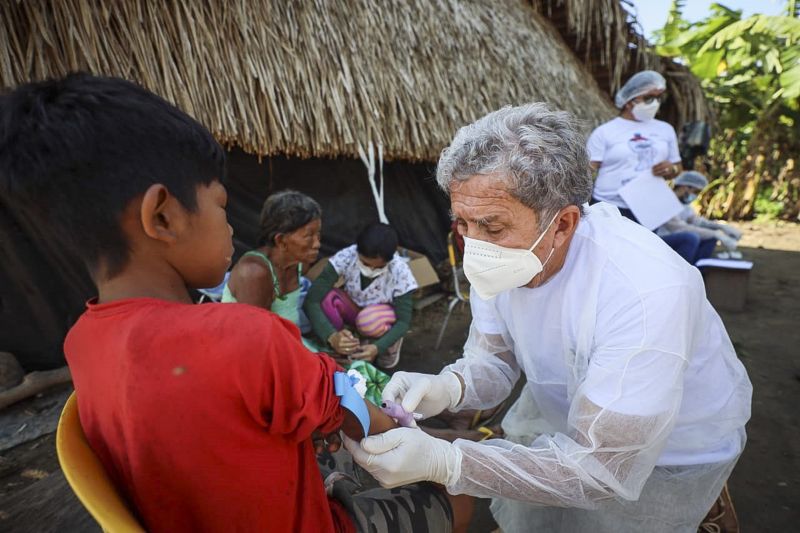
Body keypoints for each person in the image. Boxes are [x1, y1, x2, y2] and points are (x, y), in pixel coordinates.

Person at [0, 73, 470, 533]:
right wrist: (437, 441)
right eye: (221, 205)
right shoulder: (243, 335)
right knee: (466, 482)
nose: (230, 227)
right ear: (161, 215)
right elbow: (361, 411)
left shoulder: (83, 341)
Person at [344, 103, 752, 532]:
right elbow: (496, 359)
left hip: (669, 456)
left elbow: (602, 469)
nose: (473, 245)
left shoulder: (645, 290)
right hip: (569, 416)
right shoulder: (508, 261)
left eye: (493, 227)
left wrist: (448, 461)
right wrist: (450, 387)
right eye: (462, 223)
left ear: (563, 224)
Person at [304, 223, 417, 369]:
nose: (369, 269)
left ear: (389, 260)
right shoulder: (347, 257)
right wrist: (331, 336)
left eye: (377, 267)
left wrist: (378, 347)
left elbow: (403, 322)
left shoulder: (400, 271)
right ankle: (342, 346)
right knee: (328, 298)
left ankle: (387, 345)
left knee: (367, 321)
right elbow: (312, 300)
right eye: (364, 263)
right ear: (357, 251)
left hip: (381, 315)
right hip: (355, 307)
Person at [222, 190, 321, 348]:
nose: (317, 244)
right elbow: (255, 341)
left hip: (288, 345)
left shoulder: (299, 262)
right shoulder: (254, 272)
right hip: (256, 352)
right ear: (281, 240)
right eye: (309, 236)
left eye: (318, 234)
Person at [587, 70, 683, 221]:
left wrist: (671, 169)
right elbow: (587, 169)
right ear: (630, 100)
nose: (655, 103)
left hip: (649, 206)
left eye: (659, 97)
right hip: (610, 206)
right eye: (649, 97)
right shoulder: (605, 131)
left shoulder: (666, 130)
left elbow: (677, 167)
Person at [656, 171, 743, 263]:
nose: (696, 195)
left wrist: (720, 227)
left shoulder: (685, 205)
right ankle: (682, 272)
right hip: (660, 240)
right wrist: (715, 233)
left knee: (710, 237)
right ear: (686, 187)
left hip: (676, 238)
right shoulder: (666, 201)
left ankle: (699, 269)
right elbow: (680, 228)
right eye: (696, 191)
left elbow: (696, 221)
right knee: (691, 238)